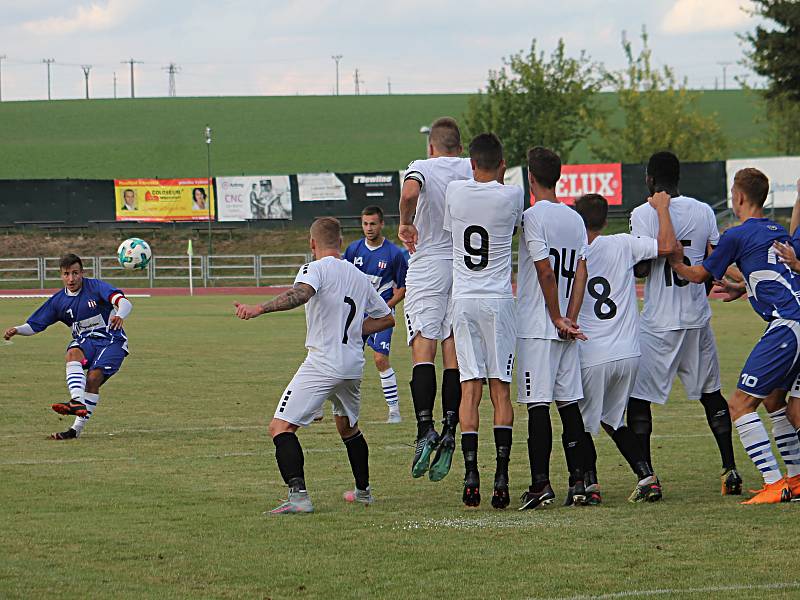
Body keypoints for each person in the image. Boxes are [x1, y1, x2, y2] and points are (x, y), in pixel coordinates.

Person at [234, 217, 394, 514]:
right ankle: (363, 492)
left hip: (322, 363)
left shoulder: (314, 269)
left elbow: (301, 294)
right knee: (348, 429)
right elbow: (387, 318)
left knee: (280, 427)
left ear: (312, 244)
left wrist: (260, 308)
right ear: (341, 243)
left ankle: (299, 498)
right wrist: (357, 330)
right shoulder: (359, 276)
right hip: (352, 366)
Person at [660, 168, 800, 504]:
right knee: (775, 401)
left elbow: (698, 275)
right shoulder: (776, 230)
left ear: (737, 197)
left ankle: (774, 483)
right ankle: (795, 480)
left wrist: (676, 261)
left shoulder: (736, 236)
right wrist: (746, 286)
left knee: (739, 404)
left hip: (787, 326)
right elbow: (772, 270)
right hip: (795, 322)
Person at [628, 151, 740, 496]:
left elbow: (643, 267)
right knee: (711, 395)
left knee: (638, 399)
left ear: (650, 179)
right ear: (679, 179)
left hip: (660, 321)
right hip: (696, 318)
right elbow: (713, 258)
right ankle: (730, 470)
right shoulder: (703, 210)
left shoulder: (643, 213)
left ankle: (647, 478)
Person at [574, 193, 671, 504]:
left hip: (592, 353)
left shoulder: (573, 250)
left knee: (583, 422)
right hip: (629, 352)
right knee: (614, 420)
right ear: (605, 220)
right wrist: (663, 210)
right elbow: (668, 246)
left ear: (578, 220)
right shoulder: (622, 243)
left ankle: (590, 486)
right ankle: (647, 477)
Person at [443, 133, 523, 508]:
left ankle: (470, 472)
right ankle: (502, 476)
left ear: (472, 163)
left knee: (469, 387)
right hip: (498, 300)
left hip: (463, 300)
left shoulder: (456, 193)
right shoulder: (512, 195)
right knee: (500, 390)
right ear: (502, 164)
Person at [399, 117, 473, 482]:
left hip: (429, 266)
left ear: (432, 147)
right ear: (459, 147)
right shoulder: (471, 168)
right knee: (452, 353)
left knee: (422, 350)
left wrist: (405, 222)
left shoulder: (422, 167)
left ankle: (424, 429)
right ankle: (449, 429)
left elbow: (411, 193)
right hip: (463, 268)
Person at [516, 146, 590, 510]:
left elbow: (545, 269)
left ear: (531, 178)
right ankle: (579, 483)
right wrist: (571, 319)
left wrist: (557, 316)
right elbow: (580, 271)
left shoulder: (532, 217)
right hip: (564, 328)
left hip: (537, 325)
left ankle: (540, 484)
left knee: (537, 405)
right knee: (569, 405)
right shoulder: (574, 218)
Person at [3, 254, 133, 440]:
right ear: (61, 275)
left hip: (111, 340)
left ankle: (75, 429)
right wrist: (17, 329)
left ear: (82, 273)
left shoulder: (95, 287)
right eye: (66, 274)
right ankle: (77, 401)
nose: (71, 278)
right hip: (85, 340)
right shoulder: (58, 301)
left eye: (75, 273)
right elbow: (35, 325)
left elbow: (124, 302)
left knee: (94, 378)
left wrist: (120, 314)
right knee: (72, 353)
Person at [344, 205, 408, 423]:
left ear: (381, 224)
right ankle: (341, 408)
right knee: (346, 358)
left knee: (380, 359)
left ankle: (394, 411)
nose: (369, 228)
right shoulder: (353, 251)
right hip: (356, 315)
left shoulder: (394, 254)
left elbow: (402, 288)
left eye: (373, 223)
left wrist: (385, 306)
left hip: (382, 317)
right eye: (365, 224)